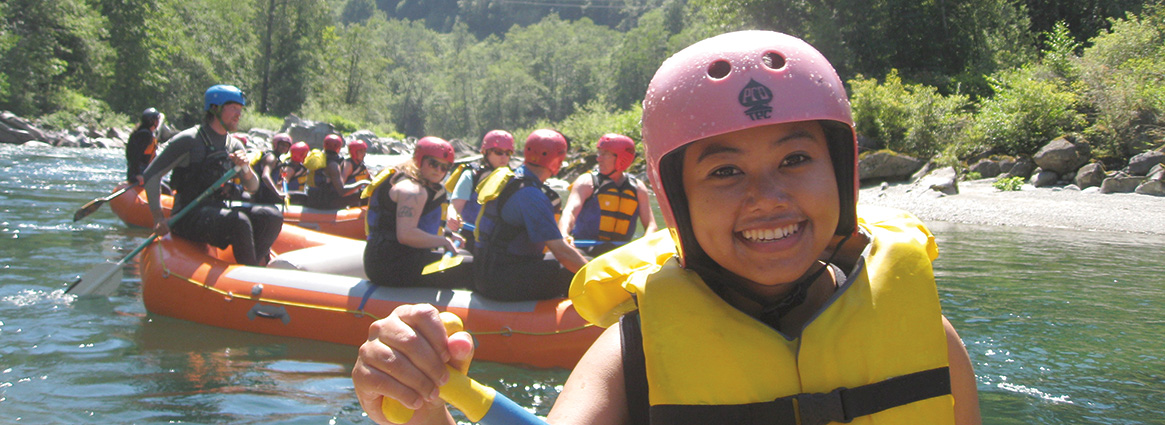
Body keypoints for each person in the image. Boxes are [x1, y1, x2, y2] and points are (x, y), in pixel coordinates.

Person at [351, 31, 981, 425]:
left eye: (795, 159)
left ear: (842, 177)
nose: (768, 198)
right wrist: (424, 410)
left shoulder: (929, 335)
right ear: (678, 201)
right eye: (726, 171)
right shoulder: (632, 354)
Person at [142, 84, 283, 266]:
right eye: (233, 108)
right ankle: (250, 275)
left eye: (240, 109)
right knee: (238, 221)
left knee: (271, 216)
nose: (238, 114)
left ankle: (254, 265)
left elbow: (253, 188)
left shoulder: (234, 145)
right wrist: (158, 217)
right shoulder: (189, 140)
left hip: (216, 211)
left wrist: (245, 167)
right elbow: (151, 175)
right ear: (215, 109)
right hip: (187, 217)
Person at [464, 129, 589, 302]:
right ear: (557, 161)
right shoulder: (532, 196)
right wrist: (597, 277)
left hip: (486, 270)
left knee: (579, 255)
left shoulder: (510, 177)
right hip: (500, 281)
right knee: (575, 269)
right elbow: (561, 252)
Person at [363, 137, 471, 289]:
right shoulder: (412, 191)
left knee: (464, 255)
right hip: (391, 267)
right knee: (470, 266)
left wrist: (447, 235)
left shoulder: (402, 177)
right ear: (419, 160)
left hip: (384, 258)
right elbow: (406, 235)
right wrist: (443, 241)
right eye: (434, 164)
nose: (438, 171)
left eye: (444, 167)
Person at [558, 133, 657, 256]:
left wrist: (645, 244)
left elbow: (651, 225)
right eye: (599, 153)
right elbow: (570, 212)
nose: (598, 158)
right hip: (586, 250)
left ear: (622, 158)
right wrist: (564, 234)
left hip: (621, 253)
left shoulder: (638, 188)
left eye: (604, 154)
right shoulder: (587, 182)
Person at [444, 129, 514, 253]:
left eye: (508, 153)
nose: (504, 157)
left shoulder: (512, 178)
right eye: (498, 152)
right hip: (469, 236)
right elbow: (454, 207)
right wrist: (452, 217)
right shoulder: (472, 175)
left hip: (498, 240)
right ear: (485, 153)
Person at [306, 133, 366, 209]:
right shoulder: (333, 165)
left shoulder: (321, 159)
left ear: (324, 146)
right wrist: (362, 183)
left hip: (314, 198)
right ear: (339, 148)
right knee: (365, 194)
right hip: (325, 203)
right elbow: (342, 191)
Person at [250, 132, 293, 205]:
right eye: (282, 145)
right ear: (276, 144)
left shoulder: (278, 160)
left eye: (286, 146)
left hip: (267, 193)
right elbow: (265, 176)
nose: (284, 147)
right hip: (262, 194)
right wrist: (277, 192)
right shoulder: (271, 158)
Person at [125, 107, 165, 186]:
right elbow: (135, 156)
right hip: (138, 173)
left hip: (145, 171)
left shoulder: (147, 133)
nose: (158, 122)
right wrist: (137, 174)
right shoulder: (144, 135)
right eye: (157, 120)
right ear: (152, 121)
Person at [341, 139, 373, 206]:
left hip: (357, 193)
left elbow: (370, 179)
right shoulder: (348, 164)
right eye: (361, 151)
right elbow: (341, 185)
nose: (364, 154)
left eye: (364, 151)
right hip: (347, 195)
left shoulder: (361, 165)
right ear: (354, 152)